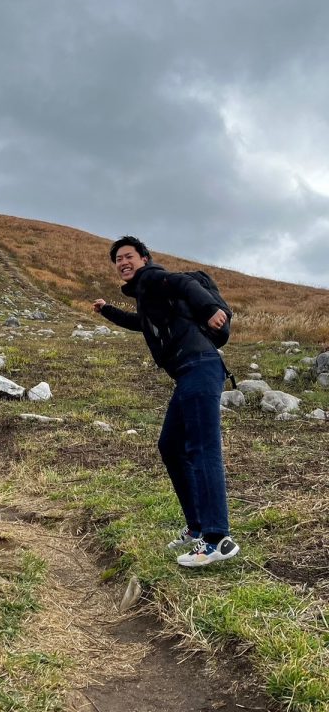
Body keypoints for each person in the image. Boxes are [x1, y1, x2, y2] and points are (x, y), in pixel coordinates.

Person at [93, 236, 239, 567]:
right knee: (170, 446)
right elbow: (141, 324)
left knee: (202, 448)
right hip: (189, 372)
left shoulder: (152, 278)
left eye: (128, 256)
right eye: (118, 259)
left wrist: (210, 309)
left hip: (199, 366)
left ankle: (217, 539)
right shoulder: (147, 294)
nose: (122, 262)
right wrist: (108, 311)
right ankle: (197, 527)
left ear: (144, 259)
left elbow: (185, 284)